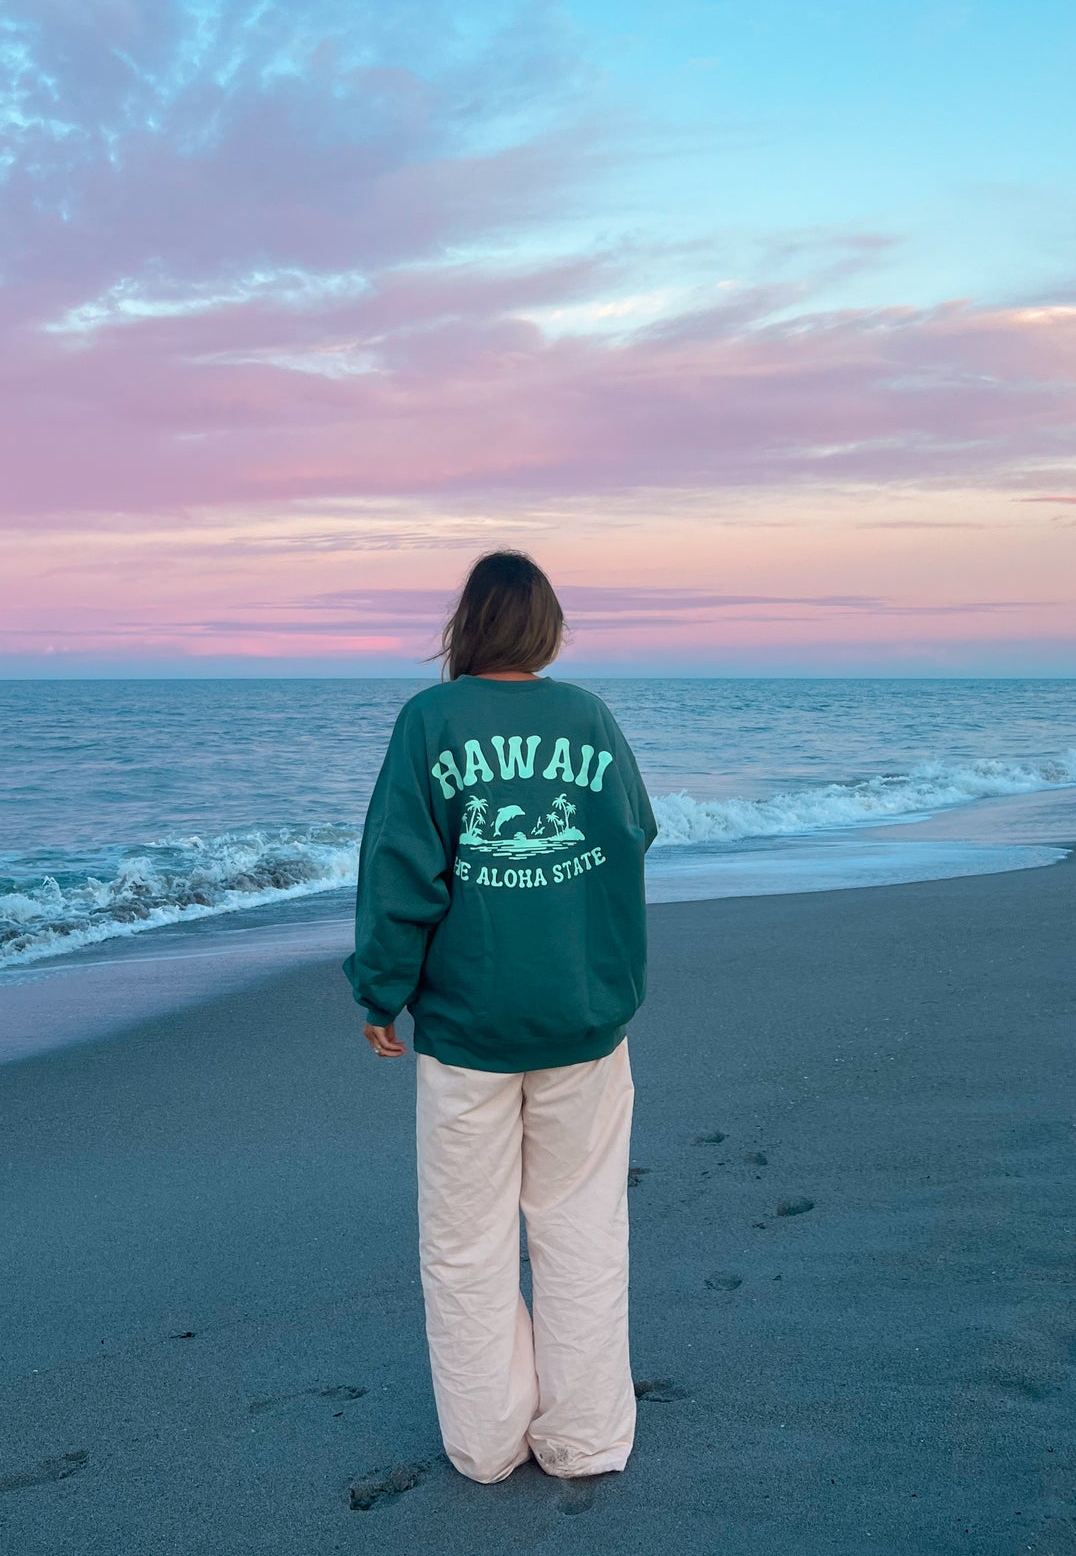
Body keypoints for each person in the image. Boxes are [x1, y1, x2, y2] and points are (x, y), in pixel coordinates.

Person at [343, 549, 658, 1486]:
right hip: (581, 1017)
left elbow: (403, 869)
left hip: (470, 1028)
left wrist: (379, 986)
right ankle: (587, 1438)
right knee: (582, 1226)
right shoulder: (589, 719)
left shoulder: (430, 721)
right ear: (545, 626)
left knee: (465, 1240)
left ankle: (486, 1442)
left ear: (467, 625)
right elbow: (632, 832)